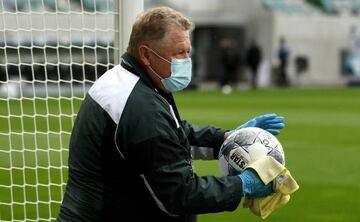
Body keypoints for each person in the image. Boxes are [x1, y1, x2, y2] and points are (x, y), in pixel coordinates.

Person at [57, 7, 285, 222]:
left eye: (188, 52)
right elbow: (179, 195)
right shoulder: (140, 105)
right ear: (146, 55)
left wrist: (226, 139)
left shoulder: (128, 81)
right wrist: (242, 185)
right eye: (179, 53)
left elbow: (169, 137)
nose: (186, 61)